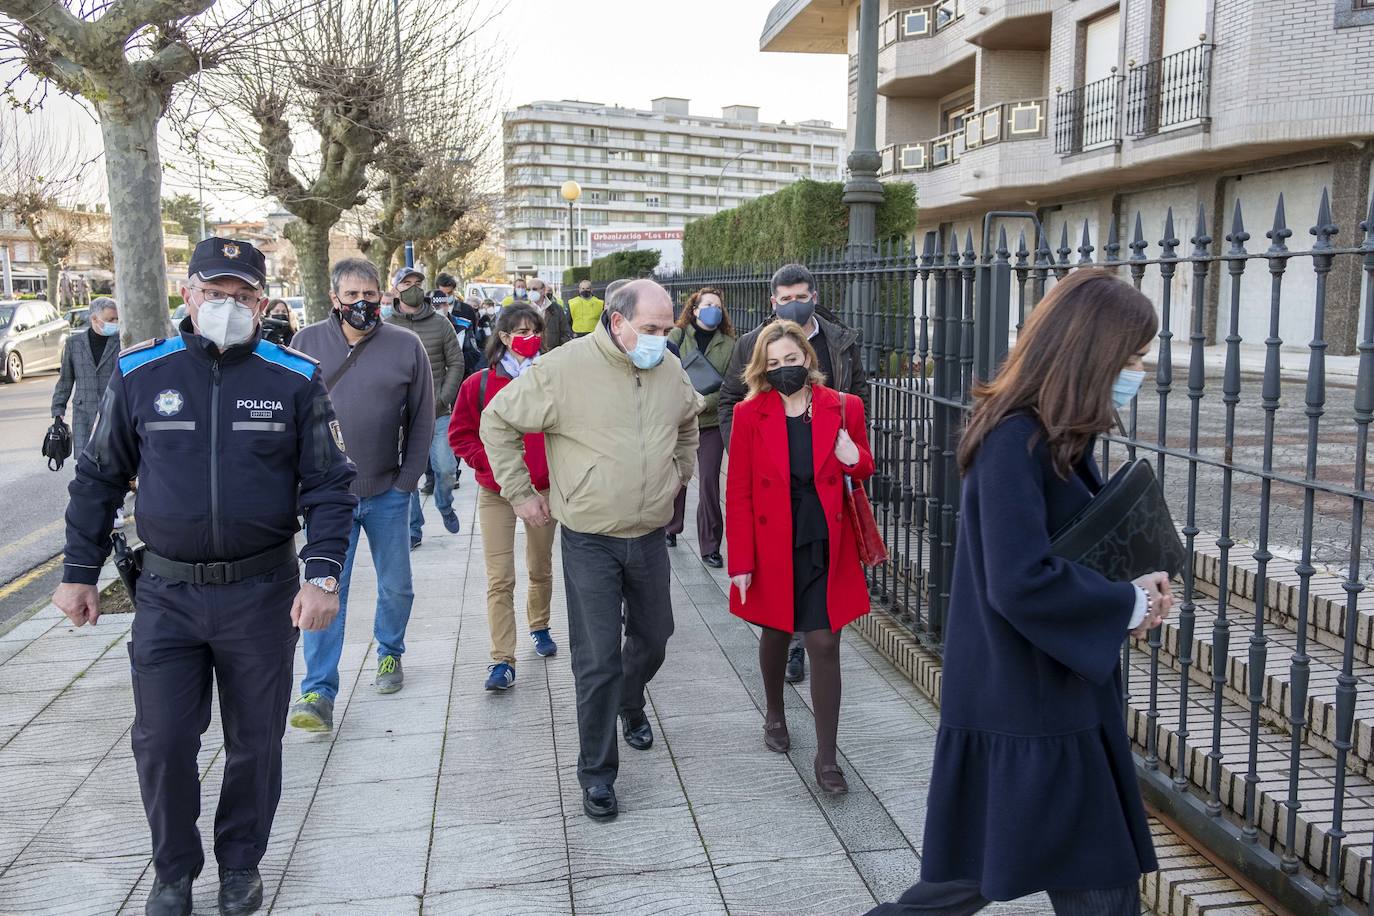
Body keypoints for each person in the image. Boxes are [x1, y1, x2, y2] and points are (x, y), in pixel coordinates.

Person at [52, 237, 356, 916]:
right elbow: (98, 476)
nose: (228, 306)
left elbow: (331, 487)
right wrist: (78, 572)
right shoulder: (140, 372)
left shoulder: (294, 378)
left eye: (243, 295)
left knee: (255, 744)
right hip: (166, 594)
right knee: (161, 742)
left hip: (262, 594)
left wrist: (324, 575)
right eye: (214, 293)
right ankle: (173, 872)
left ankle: (241, 864)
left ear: (264, 301)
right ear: (186, 294)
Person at [867, 269, 1171, 916]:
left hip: (1042, 711)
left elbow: (1062, 553)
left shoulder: (1052, 437)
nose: (1139, 371)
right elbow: (1020, 579)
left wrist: (1128, 591)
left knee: (964, 891)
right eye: (1132, 357)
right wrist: (1127, 604)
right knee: (1080, 893)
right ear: (1090, 353)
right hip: (1034, 716)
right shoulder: (1016, 440)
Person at [480, 279, 701, 821]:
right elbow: (497, 420)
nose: (660, 338)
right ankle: (598, 774)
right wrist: (521, 493)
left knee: (654, 639)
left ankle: (631, 701)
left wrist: (680, 474)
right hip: (589, 539)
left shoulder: (668, 367)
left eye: (666, 328)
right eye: (650, 329)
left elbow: (689, 421)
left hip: (648, 534)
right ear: (617, 321)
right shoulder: (563, 368)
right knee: (596, 658)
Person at [725, 320, 873, 795]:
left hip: (826, 541)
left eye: (791, 359)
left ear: (808, 359)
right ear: (761, 370)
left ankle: (827, 758)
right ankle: (775, 711)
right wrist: (741, 562)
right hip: (772, 543)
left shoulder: (844, 406)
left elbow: (864, 466)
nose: (784, 369)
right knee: (775, 631)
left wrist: (854, 456)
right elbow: (740, 492)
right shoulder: (751, 415)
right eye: (773, 364)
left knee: (825, 643)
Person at [288, 258, 436, 731]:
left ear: (383, 297)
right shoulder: (306, 343)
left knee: (396, 586)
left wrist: (408, 480)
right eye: (351, 296)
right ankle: (318, 690)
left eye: (369, 295)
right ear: (334, 299)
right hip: (328, 501)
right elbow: (291, 421)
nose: (361, 304)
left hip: (388, 492)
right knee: (327, 589)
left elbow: (422, 417)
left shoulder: (406, 345)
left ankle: (389, 653)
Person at [718, 263, 866, 686]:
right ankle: (780, 694)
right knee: (777, 621)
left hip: (825, 487)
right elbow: (730, 399)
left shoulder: (841, 339)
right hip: (775, 486)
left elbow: (858, 393)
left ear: (814, 296)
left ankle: (805, 653)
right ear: (773, 302)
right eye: (786, 298)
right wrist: (748, 449)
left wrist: (852, 447)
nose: (795, 305)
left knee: (821, 631)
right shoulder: (752, 344)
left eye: (801, 296)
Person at [449, 304, 558, 691]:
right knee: (500, 578)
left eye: (535, 330)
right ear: (504, 337)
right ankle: (501, 659)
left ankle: (540, 624)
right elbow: (460, 435)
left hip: (542, 489)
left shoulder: (552, 378)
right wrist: (490, 465)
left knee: (540, 566)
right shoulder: (478, 383)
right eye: (520, 331)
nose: (528, 337)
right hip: (496, 494)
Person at [385, 265, 463, 545]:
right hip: (400, 415)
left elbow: (456, 361)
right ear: (396, 288)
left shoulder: (441, 323)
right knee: (407, 475)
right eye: (407, 282)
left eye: (418, 281)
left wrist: (443, 397)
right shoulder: (385, 325)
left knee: (445, 468)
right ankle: (413, 528)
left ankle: (444, 505)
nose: (414, 287)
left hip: (438, 412)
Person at [665, 287, 735, 567]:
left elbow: (733, 386)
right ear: (694, 309)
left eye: (717, 306)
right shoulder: (676, 336)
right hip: (679, 419)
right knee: (677, 475)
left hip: (711, 422)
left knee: (708, 483)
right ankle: (670, 527)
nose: (713, 310)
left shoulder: (730, 344)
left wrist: (704, 401)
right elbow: (664, 373)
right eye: (707, 305)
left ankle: (710, 545)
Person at [51, 295, 120, 452]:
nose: (115, 323)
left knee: (113, 458)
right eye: (110, 319)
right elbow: (65, 380)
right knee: (85, 459)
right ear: (94, 319)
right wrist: (58, 411)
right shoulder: (73, 344)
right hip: (84, 413)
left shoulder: (122, 341)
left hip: (115, 410)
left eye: (117, 319)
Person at [525, 278, 573, 350]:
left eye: (534, 289)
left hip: (552, 353)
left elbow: (565, 332)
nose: (531, 292)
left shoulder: (556, 309)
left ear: (543, 290)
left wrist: (559, 350)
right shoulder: (524, 310)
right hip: (532, 354)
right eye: (528, 289)